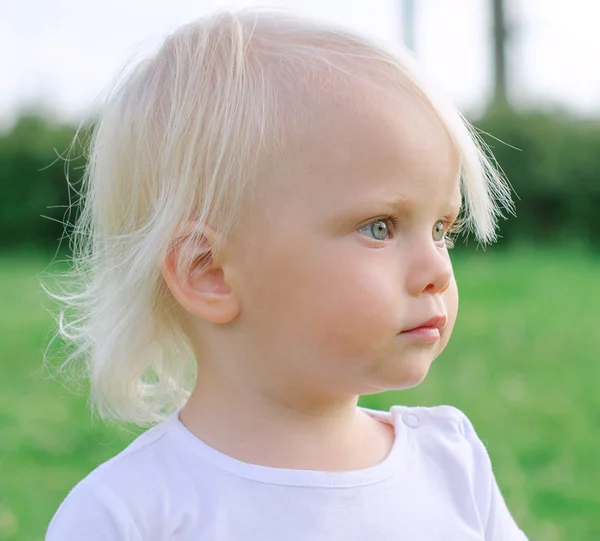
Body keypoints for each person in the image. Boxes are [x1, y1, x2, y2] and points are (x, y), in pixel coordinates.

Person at [46, 8, 527, 540]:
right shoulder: (133, 513)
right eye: (379, 227)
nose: (437, 269)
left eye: (441, 229)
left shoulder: (451, 463)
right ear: (209, 272)